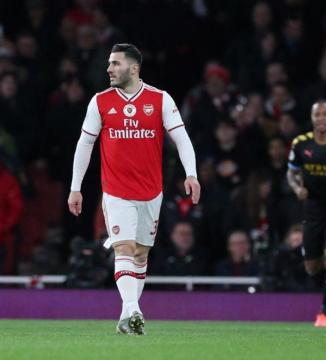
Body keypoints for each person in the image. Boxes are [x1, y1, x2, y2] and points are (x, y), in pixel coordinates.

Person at [67, 44, 200, 335]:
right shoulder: (100, 102)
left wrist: (192, 174)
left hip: (151, 191)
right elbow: (84, 145)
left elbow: (182, 138)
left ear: (134, 68)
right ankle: (135, 310)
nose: (109, 69)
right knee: (123, 248)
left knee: (140, 255)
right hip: (115, 190)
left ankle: (126, 316)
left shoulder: (160, 99)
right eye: (109, 63)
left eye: (115, 64)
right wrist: (75, 187)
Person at [287, 101, 326, 327]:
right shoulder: (301, 144)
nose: (321, 119)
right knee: (312, 266)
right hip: (312, 207)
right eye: (317, 115)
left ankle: (324, 312)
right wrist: (296, 188)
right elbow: (291, 173)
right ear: (312, 118)